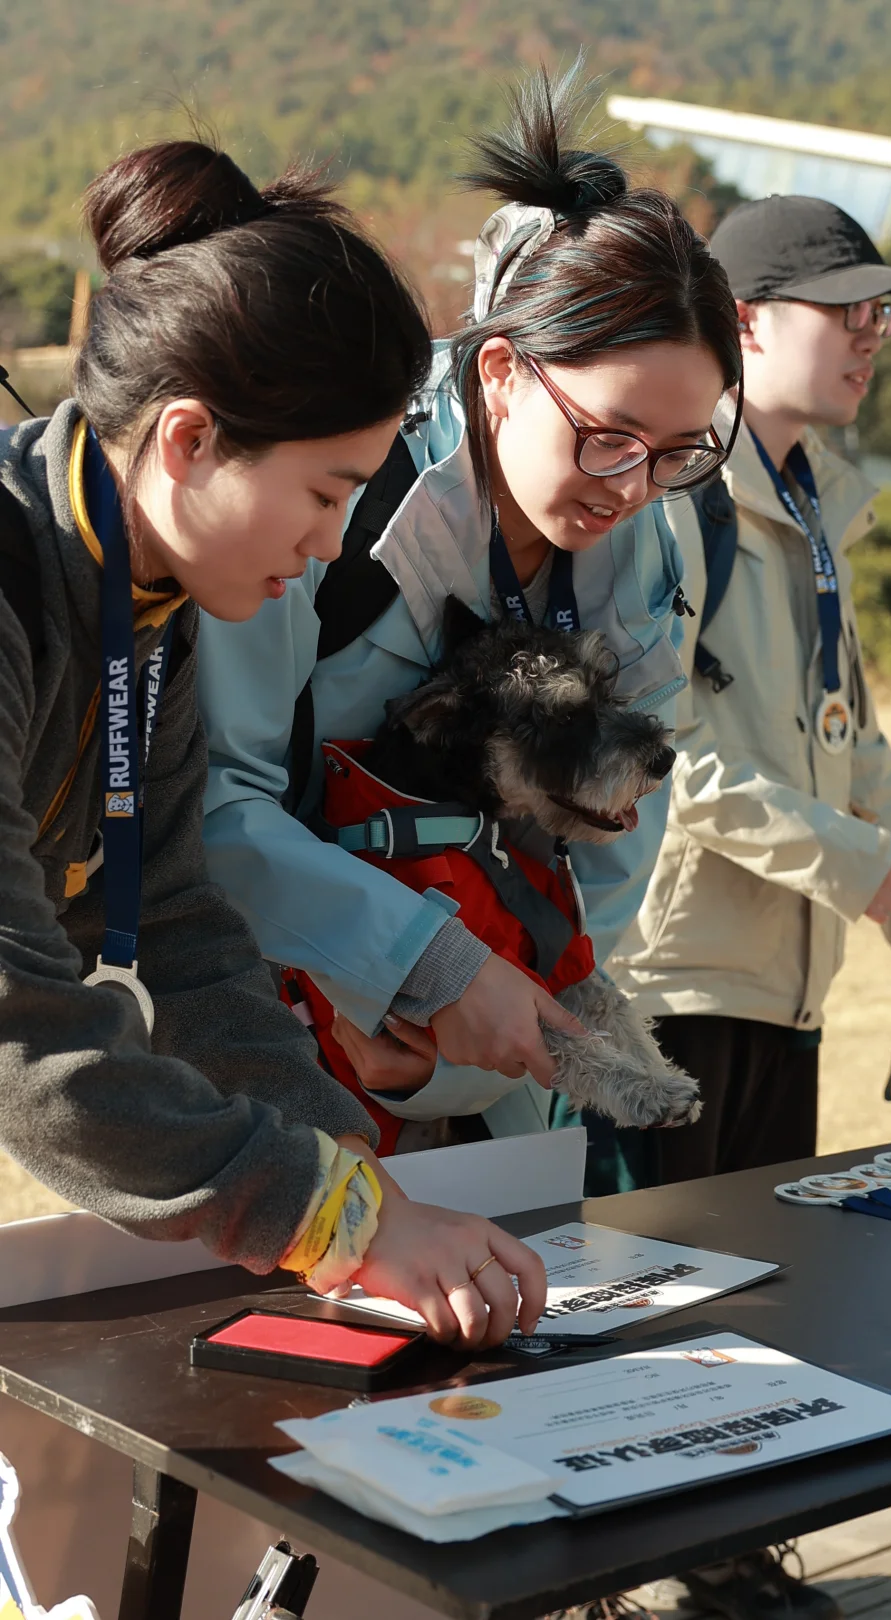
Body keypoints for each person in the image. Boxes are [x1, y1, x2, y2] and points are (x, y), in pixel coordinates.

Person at [0, 137, 548, 1349]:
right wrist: (333, 1215)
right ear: (191, 442)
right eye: (324, 492)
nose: (331, 544)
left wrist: (352, 1175)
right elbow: (17, 1019)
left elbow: (180, 921)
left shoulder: (143, 596)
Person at [196, 66, 743, 1154]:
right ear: (499, 371)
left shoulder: (650, 548)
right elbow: (218, 806)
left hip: (504, 1072)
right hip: (289, 1053)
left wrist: (530, 1017)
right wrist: (419, 977)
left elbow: (614, 837)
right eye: (609, 434)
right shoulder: (334, 507)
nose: (633, 485)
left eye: (684, 452)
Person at [607, 195, 891, 1620]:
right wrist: (840, 856)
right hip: (672, 976)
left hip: (784, 980)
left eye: (883, 313)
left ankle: (727, 1559)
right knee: (663, 1304)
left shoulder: (820, 503)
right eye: (850, 309)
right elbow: (650, 754)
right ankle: (665, 1563)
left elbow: (860, 741)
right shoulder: (678, 499)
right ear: (746, 319)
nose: (873, 338)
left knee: (765, 1292)